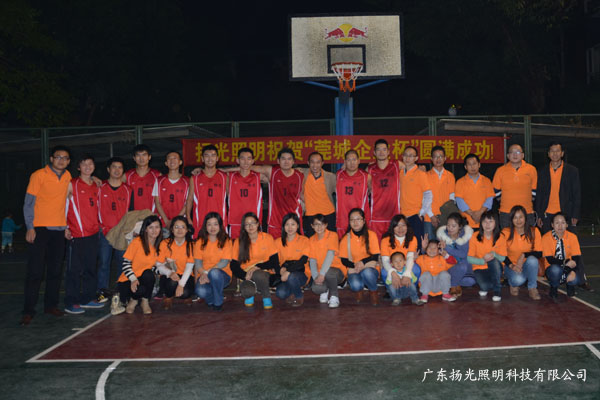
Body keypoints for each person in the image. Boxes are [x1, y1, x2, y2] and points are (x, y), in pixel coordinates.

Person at [21, 146, 72, 325]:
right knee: (35, 271)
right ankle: (28, 310)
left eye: (65, 158)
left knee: (55, 271)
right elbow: (28, 204)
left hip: (59, 231)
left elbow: (69, 200)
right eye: (58, 157)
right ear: (51, 159)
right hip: (39, 229)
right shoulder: (38, 175)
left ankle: (50, 306)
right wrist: (30, 227)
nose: (61, 160)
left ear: (69, 161)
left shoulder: (68, 176)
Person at [535, 142, 590, 291]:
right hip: (547, 215)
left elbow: (577, 194)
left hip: (566, 215)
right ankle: (550, 274)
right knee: (547, 247)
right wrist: (539, 214)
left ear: (562, 153)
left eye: (557, 151)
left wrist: (575, 214)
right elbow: (539, 195)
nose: (555, 153)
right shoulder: (542, 171)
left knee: (575, 247)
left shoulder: (572, 170)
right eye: (552, 151)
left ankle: (581, 279)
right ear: (548, 154)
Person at [64, 154, 104, 314]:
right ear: (78, 167)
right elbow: (61, 206)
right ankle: (71, 302)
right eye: (84, 164)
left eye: (90, 163)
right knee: (74, 270)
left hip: (93, 233)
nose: (88, 166)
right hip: (77, 233)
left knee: (90, 268)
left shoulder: (97, 185)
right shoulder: (71, 184)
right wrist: (64, 227)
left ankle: (87, 298)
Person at [248, 148, 304, 239]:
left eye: (289, 159)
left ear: (293, 162)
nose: (286, 162)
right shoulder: (272, 172)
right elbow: (247, 167)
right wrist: (225, 170)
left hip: (293, 220)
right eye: (283, 159)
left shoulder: (300, 175)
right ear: (278, 161)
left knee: (296, 246)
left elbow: (303, 195)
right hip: (275, 221)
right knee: (274, 247)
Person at [97, 157, 131, 302]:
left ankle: (120, 292)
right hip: (104, 233)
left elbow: (131, 212)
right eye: (114, 167)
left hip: (121, 234)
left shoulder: (128, 190)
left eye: (120, 167)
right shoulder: (99, 187)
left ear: (123, 171)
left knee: (122, 264)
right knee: (104, 264)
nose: (117, 170)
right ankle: (102, 292)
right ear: (108, 169)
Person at [230, 212, 279, 309]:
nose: (250, 226)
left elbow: (274, 261)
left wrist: (257, 267)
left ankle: (266, 297)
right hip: (246, 275)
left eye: (253, 223)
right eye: (247, 224)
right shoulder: (238, 242)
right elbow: (234, 265)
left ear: (258, 224)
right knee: (247, 291)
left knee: (258, 274)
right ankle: (251, 291)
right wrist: (244, 275)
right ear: (244, 227)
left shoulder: (267, 238)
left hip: (264, 273)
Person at [118, 215, 164, 315]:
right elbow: (126, 264)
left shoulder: (160, 245)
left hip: (144, 279)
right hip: (128, 280)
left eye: (157, 227)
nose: (154, 230)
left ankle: (145, 302)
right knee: (141, 289)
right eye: (151, 227)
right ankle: (133, 300)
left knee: (149, 274)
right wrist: (133, 279)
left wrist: (168, 272)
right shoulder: (137, 242)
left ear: (160, 229)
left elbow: (153, 267)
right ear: (145, 229)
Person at [339, 208, 381, 306]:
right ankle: (359, 290)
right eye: (352, 220)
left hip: (370, 267)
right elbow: (344, 260)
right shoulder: (345, 238)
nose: (355, 222)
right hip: (354, 269)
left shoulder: (371, 235)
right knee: (355, 285)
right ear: (349, 222)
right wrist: (355, 265)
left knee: (367, 273)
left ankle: (373, 291)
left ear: (364, 221)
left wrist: (362, 263)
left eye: (358, 219)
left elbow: (375, 256)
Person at [501, 205, 542, 300]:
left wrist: (524, 255)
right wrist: (512, 266)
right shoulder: (505, 232)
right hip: (510, 265)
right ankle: (513, 283)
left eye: (521, 217)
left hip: (527, 265)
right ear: (511, 220)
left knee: (532, 260)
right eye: (515, 217)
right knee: (518, 280)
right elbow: (501, 254)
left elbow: (539, 253)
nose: (518, 220)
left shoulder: (534, 231)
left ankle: (532, 288)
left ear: (525, 218)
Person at [194, 212, 233, 311]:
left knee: (214, 273)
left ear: (220, 226)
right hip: (204, 275)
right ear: (205, 226)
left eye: (215, 224)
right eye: (209, 224)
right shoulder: (199, 242)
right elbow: (198, 263)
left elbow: (224, 262)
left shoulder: (226, 241)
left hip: (221, 275)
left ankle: (218, 302)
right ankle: (214, 297)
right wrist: (203, 273)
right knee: (200, 291)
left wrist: (208, 273)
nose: (212, 227)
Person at [187, 145, 228, 238]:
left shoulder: (224, 177)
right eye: (207, 155)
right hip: (200, 222)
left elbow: (231, 200)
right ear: (202, 158)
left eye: (213, 155)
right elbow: (189, 200)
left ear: (217, 158)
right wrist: (189, 218)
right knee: (200, 246)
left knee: (221, 246)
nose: (210, 159)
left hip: (220, 222)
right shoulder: (195, 178)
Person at [493, 144, 537, 228]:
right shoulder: (500, 171)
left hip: (527, 211)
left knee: (528, 235)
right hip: (506, 212)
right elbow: (496, 190)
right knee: (507, 235)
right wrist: (505, 201)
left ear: (523, 155)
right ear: (508, 156)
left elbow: (535, 190)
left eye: (518, 152)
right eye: (512, 152)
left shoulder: (531, 169)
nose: (515, 155)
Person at [366, 139, 403, 240]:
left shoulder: (396, 165)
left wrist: (419, 167)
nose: (381, 152)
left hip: (394, 214)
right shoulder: (369, 169)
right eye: (378, 150)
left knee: (394, 246)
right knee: (377, 247)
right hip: (376, 216)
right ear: (374, 152)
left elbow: (411, 169)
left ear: (388, 152)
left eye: (384, 149)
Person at [156, 216, 195, 310]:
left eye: (183, 227)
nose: (180, 230)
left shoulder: (191, 245)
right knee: (172, 283)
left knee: (185, 293)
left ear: (187, 230)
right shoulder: (165, 243)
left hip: (185, 275)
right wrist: (169, 273)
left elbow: (189, 267)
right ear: (172, 230)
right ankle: (168, 297)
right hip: (169, 276)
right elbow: (159, 264)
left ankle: (184, 295)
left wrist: (181, 285)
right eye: (176, 227)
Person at [308, 214, 346, 308]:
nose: (319, 227)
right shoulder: (311, 239)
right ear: (312, 226)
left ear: (326, 225)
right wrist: (316, 277)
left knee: (329, 273)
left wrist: (322, 274)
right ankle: (325, 290)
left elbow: (330, 255)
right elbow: (312, 260)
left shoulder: (332, 235)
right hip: (321, 273)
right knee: (316, 288)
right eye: (316, 224)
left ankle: (334, 296)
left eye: (322, 224)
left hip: (336, 271)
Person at [467, 211, 506, 302]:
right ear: (481, 223)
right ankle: (496, 281)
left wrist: (494, 254)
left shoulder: (500, 237)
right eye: (485, 221)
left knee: (493, 260)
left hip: (496, 267)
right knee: (485, 286)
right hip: (479, 267)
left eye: (490, 221)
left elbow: (503, 258)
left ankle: (497, 291)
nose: (487, 224)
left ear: (496, 223)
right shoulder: (474, 236)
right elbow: (469, 258)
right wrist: (482, 261)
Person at [542, 213, 582, 299]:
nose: (560, 226)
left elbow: (576, 257)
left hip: (569, 266)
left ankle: (570, 285)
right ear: (552, 225)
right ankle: (554, 287)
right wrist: (565, 262)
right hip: (552, 267)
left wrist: (573, 271)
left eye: (563, 223)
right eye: (557, 223)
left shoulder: (573, 237)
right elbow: (550, 259)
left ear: (567, 225)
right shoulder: (546, 238)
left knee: (576, 279)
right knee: (556, 270)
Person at [399, 146, 432, 250]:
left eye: (411, 156)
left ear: (416, 158)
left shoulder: (421, 174)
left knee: (417, 247)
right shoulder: (400, 173)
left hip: (415, 216)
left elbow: (428, 195)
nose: (407, 158)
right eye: (405, 155)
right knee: (403, 246)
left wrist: (421, 213)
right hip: (402, 216)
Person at [435, 212, 475, 297]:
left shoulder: (464, 237)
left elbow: (463, 254)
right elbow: (435, 252)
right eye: (448, 225)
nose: (450, 228)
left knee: (471, 281)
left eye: (453, 226)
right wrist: (441, 249)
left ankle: (454, 281)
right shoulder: (442, 236)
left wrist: (447, 248)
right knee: (462, 267)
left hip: (462, 268)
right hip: (448, 267)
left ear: (460, 226)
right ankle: (453, 285)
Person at [380, 214, 420, 296]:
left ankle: (410, 288)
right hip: (392, 265)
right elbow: (385, 260)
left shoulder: (412, 238)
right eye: (397, 226)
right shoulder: (385, 240)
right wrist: (393, 273)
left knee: (416, 270)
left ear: (407, 226)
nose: (400, 229)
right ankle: (390, 290)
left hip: (406, 264)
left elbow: (410, 257)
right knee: (384, 272)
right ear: (392, 227)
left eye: (403, 225)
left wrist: (407, 273)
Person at [227, 147, 263, 239]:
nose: (246, 162)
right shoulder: (230, 177)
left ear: (253, 161)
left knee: (255, 247)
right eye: (242, 158)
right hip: (235, 222)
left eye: (249, 158)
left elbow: (271, 170)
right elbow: (215, 171)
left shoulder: (259, 177)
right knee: (235, 247)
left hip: (254, 223)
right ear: (237, 160)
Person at [275, 213, 310, 306]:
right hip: (284, 274)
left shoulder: (304, 240)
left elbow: (303, 260)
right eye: (287, 224)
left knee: (292, 277)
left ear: (298, 226)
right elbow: (274, 261)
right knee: (281, 293)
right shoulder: (278, 242)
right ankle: (294, 290)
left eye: (293, 224)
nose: (290, 227)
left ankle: (299, 296)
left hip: (301, 273)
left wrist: (288, 271)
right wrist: (280, 270)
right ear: (283, 226)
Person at [336, 150, 370, 239]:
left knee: (360, 245)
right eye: (349, 160)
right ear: (345, 162)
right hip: (342, 219)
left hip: (359, 220)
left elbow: (373, 193)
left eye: (354, 160)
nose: (352, 163)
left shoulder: (366, 176)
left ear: (359, 161)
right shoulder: (338, 175)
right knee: (343, 245)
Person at [301, 152, 336, 238]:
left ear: (322, 163)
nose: (315, 165)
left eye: (318, 162)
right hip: (310, 214)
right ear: (308, 163)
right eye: (312, 162)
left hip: (328, 213)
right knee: (311, 241)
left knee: (330, 239)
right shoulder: (302, 173)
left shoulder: (331, 177)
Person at [424, 146, 455, 240]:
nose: (438, 159)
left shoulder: (450, 176)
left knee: (445, 245)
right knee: (430, 245)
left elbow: (452, 198)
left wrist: (445, 216)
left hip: (445, 218)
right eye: (435, 156)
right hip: (429, 217)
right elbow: (423, 198)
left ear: (445, 158)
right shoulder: (425, 176)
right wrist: (431, 216)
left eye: (441, 156)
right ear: (431, 159)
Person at [455, 154, 494, 228]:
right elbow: (459, 201)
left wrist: (479, 213)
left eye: (474, 164)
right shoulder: (460, 182)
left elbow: (489, 199)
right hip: (466, 221)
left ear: (479, 165)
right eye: (469, 164)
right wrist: (472, 214)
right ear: (465, 167)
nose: (472, 167)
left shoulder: (487, 181)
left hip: (484, 222)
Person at [153, 151, 189, 231]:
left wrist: (175, 221)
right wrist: (166, 221)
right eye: (169, 158)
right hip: (162, 223)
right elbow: (157, 202)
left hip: (180, 223)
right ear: (166, 163)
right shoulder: (159, 180)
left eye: (175, 158)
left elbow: (188, 204)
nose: (172, 160)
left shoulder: (187, 181)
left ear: (180, 162)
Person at [124, 144, 161, 211]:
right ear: (134, 158)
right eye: (138, 155)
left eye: (144, 155)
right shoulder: (127, 175)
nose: (141, 158)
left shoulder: (157, 175)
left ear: (149, 157)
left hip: (151, 215)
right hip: (133, 215)